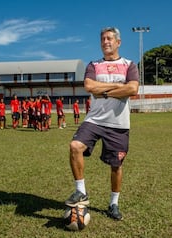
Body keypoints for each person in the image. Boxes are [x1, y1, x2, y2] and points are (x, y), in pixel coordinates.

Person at [65, 27, 139, 221]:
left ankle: (114, 204)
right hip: (95, 120)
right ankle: (81, 191)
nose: (105, 42)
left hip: (119, 124)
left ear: (118, 42)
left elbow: (132, 88)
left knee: (116, 165)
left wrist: (104, 91)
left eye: (109, 39)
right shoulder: (94, 65)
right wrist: (117, 87)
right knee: (75, 146)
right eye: (102, 39)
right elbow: (89, 86)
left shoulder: (129, 65)